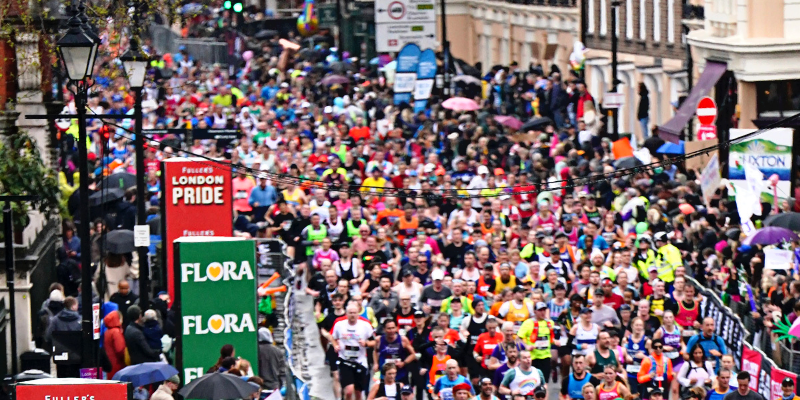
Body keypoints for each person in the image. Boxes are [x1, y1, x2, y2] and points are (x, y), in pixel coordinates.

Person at [332, 303, 376, 400]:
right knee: (349, 390)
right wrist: (335, 345)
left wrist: (366, 343)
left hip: (360, 361)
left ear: (358, 314)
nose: (352, 315)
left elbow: (375, 342)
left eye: (354, 313)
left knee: (358, 392)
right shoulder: (339, 325)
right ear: (346, 314)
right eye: (350, 313)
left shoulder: (365, 325)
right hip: (345, 360)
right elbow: (333, 337)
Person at [374, 320, 416, 384]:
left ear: (396, 328)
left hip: (400, 374)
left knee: (402, 393)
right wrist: (376, 363)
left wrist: (403, 363)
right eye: (389, 328)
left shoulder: (403, 339)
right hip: (384, 375)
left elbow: (413, 354)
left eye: (393, 328)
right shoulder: (379, 340)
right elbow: (375, 351)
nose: (391, 331)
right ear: (384, 329)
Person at [103, 310, 127, 378]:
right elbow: (120, 350)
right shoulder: (116, 332)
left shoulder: (107, 331)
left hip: (110, 363)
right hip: (117, 364)